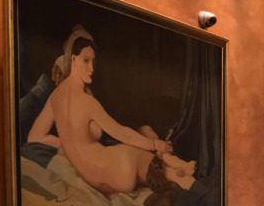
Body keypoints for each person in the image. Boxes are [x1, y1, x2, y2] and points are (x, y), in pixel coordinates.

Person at [28, 26, 197, 195]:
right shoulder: (87, 102)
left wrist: (66, 146)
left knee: (144, 135)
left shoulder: (55, 98)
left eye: (93, 62)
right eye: (86, 61)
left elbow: (34, 137)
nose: (91, 68)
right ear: (72, 59)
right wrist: (155, 144)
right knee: (169, 168)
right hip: (120, 167)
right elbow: (122, 134)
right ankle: (177, 167)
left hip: (98, 179)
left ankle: (175, 163)